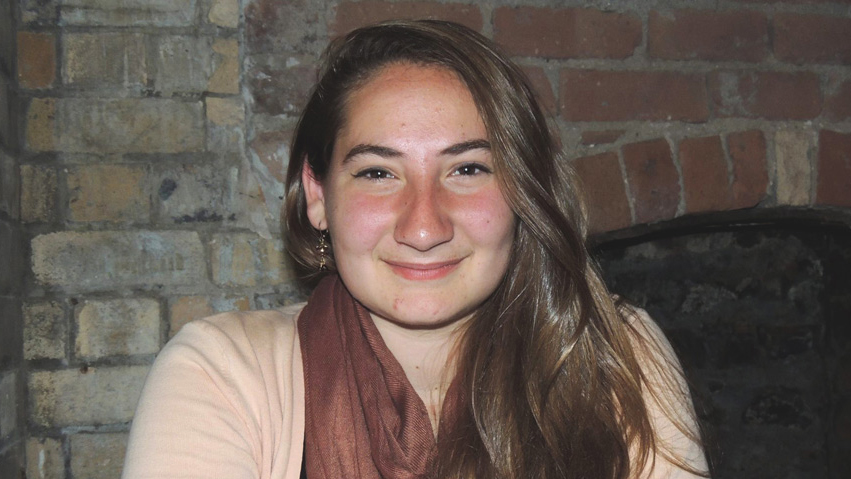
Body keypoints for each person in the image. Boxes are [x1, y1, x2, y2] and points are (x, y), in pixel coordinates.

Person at [123, 20, 709, 479]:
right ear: (317, 195)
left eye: (468, 169)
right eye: (378, 173)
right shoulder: (223, 373)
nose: (424, 227)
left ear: (524, 192)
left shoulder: (616, 356)